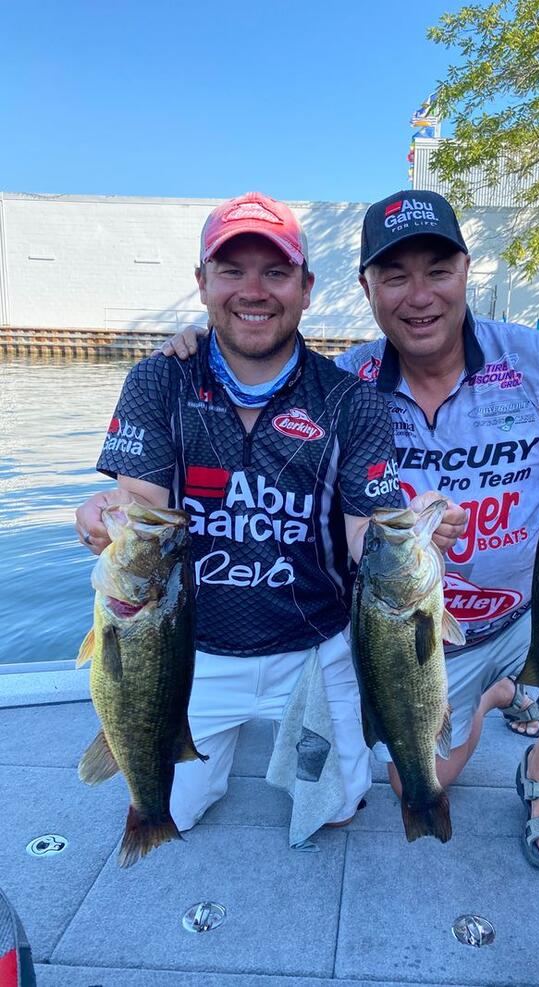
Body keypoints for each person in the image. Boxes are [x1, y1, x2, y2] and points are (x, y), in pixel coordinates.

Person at [155, 189, 539, 871]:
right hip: (416, 630)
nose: (418, 295)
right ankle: (496, 691)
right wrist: (194, 355)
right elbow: (257, 408)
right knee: (409, 779)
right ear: (366, 287)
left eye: (437, 270)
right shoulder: (346, 385)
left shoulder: (537, 362)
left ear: (466, 272)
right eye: (394, 275)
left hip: (536, 610)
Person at [74, 191, 412, 840]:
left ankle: (306, 749)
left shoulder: (353, 401)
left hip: (313, 648)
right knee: (167, 806)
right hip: (191, 646)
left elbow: (363, 532)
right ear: (201, 282)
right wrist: (100, 516)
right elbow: (139, 506)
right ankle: (200, 754)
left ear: (307, 288)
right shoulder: (158, 381)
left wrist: (405, 531)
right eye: (232, 269)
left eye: (276, 271)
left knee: (335, 809)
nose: (253, 289)